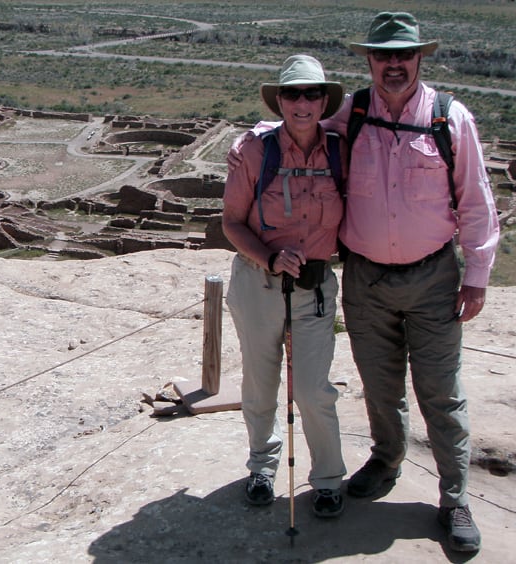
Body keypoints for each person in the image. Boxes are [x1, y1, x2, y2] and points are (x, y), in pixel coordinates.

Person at [228, 12, 499, 552]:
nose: (393, 65)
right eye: (382, 56)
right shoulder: (349, 115)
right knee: (379, 383)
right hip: (367, 276)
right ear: (369, 62)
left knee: (440, 390)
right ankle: (385, 460)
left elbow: (475, 199)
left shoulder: (450, 119)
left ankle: (455, 497)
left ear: (421, 58)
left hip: (432, 275)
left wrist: (477, 275)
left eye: (403, 55)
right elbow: (293, 136)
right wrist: (255, 138)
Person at [222, 54, 348, 518]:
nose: (302, 103)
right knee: (261, 383)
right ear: (279, 101)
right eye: (292, 93)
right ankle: (262, 465)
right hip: (260, 282)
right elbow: (232, 223)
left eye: (311, 94)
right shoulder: (256, 151)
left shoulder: (338, 149)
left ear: (323, 101)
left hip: (314, 287)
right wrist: (271, 256)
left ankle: (329, 478)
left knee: (314, 389)